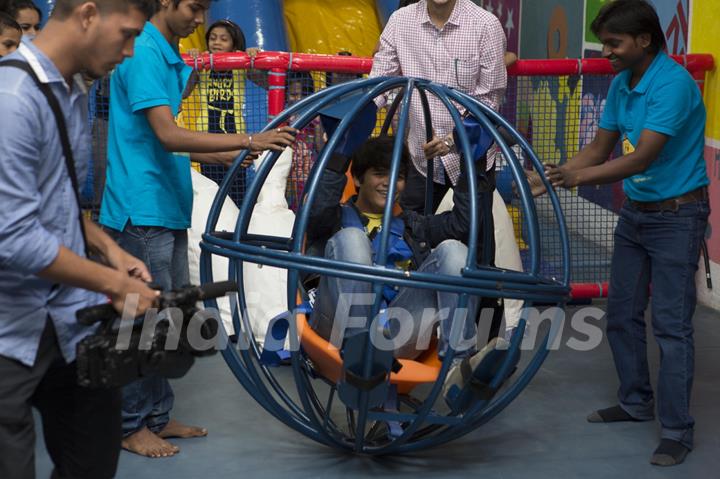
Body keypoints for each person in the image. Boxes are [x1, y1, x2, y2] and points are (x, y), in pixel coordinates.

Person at [99, 0, 296, 459]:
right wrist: (247, 139)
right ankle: (130, 425)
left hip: (167, 205)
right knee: (143, 319)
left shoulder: (168, 53)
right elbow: (167, 134)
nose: (200, 20)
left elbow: (160, 143)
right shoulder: (145, 51)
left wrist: (228, 155)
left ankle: (157, 415)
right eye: (193, 7)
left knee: (167, 319)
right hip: (141, 209)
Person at [544, 0, 709, 467]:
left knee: (672, 329)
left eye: (614, 43)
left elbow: (641, 159)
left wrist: (573, 180)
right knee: (620, 313)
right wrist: (548, 176)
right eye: (604, 42)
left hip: (678, 217)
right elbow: (598, 149)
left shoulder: (673, 84)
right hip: (637, 215)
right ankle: (636, 402)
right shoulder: (621, 83)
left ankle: (677, 431)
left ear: (644, 41)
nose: (607, 52)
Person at [0, 1, 159, 477]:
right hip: (9, 332)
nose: (130, 51)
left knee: (91, 460)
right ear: (88, 14)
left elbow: (57, 199)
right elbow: (13, 236)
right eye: (126, 35)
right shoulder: (12, 99)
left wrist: (111, 250)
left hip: (71, 323)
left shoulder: (72, 90)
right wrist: (114, 284)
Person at [307, 135, 510, 409]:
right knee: (353, 238)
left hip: (393, 331)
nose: (390, 183)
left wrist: (470, 162)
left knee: (454, 250)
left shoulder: (413, 226)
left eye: (398, 177)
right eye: (379, 174)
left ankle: (458, 370)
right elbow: (315, 212)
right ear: (357, 179)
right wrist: (339, 152)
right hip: (337, 328)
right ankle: (360, 357)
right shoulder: (332, 218)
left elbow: (462, 224)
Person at [370, 0, 507, 213]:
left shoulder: (485, 25)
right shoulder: (400, 21)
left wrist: (451, 140)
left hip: (471, 159)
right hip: (421, 161)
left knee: (474, 237)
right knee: (411, 236)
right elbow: (378, 85)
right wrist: (350, 122)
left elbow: (489, 101)